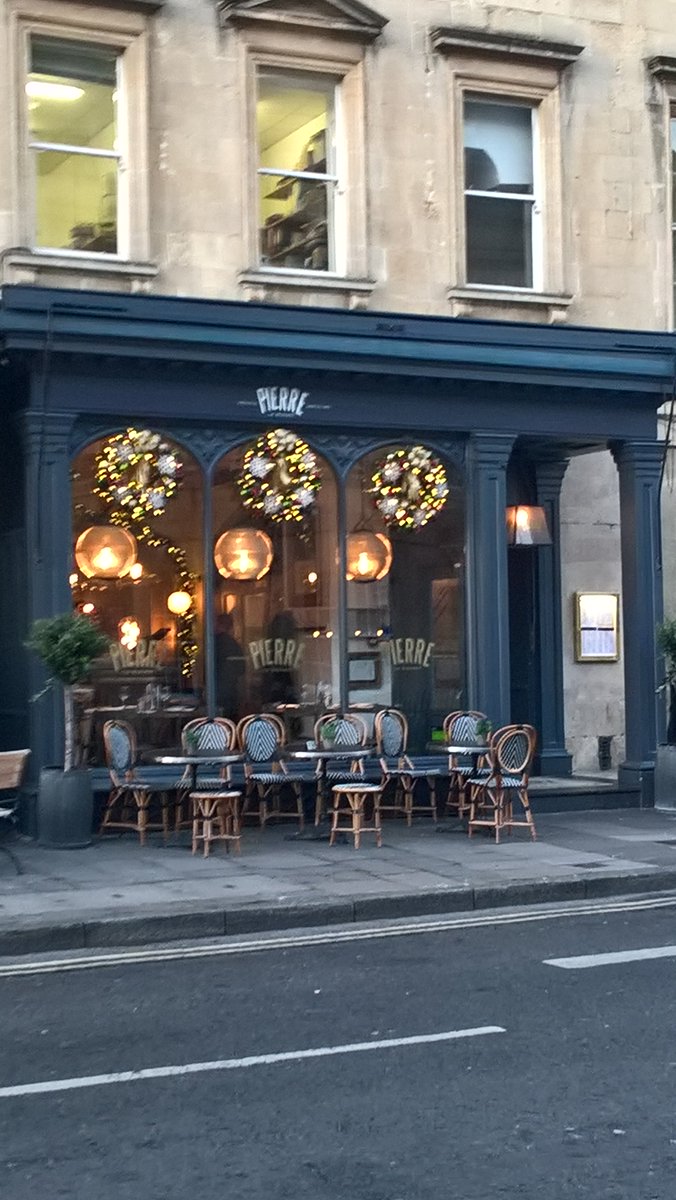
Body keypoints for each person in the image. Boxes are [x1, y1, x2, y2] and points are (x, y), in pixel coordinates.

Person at [214, 611, 246, 720]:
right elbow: (242, 669)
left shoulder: (214, 643)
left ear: (218, 624)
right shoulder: (234, 644)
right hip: (232, 689)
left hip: (217, 689)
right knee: (230, 720)